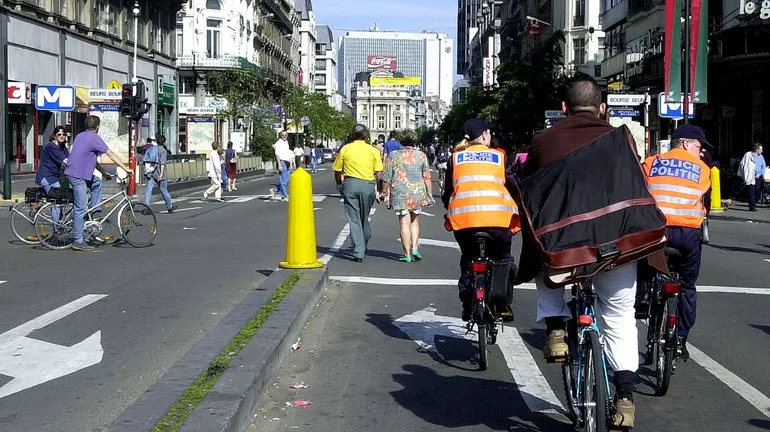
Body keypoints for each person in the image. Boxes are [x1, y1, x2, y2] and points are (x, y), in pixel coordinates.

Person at [520, 76, 666, 428]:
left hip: (566, 247)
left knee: (542, 260)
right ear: (602, 109)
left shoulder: (543, 140)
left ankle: (556, 328)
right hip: (618, 244)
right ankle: (626, 399)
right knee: (619, 317)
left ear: (564, 109)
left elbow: (530, 193)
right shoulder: (620, 139)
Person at [642, 124, 711, 360]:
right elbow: (706, 205)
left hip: (657, 231)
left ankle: (643, 298)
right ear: (685, 144)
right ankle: (681, 338)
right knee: (688, 286)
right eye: (699, 147)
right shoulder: (703, 169)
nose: (701, 152)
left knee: (645, 268)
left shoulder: (651, 163)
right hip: (688, 234)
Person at [442, 118, 519, 322]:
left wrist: (448, 205)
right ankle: (502, 303)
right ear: (484, 134)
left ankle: (467, 303)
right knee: (503, 258)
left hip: (464, 222)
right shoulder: (499, 157)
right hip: (497, 221)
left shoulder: (455, 158)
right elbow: (513, 186)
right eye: (489, 133)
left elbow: (448, 190)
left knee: (468, 258)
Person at [65, 116, 131, 251]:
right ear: (98, 127)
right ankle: (78, 241)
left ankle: (94, 211)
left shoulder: (79, 136)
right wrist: (125, 168)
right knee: (81, 207)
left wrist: (104, 173)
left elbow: (90, 159)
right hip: (78, 176)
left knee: (97, 182)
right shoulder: (94, 138)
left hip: (74, 173)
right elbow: (110, 154)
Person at [333, 124, 383, 262]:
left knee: (353, 218)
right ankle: (364, 239)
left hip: (350, 183)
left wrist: (339, 183)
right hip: (368, 185)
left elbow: (337, 170)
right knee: (364, 216)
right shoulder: (373, 150)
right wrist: (380, 189)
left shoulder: (345, 149)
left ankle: (358, 250)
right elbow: (378, 172)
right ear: (366, 135)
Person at [382, 130, 433, 263]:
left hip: (400, 192)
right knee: (414, 221)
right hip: (417, 192)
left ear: (401, 141)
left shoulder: (393, 155)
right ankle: (415, 247)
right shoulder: (421, 155)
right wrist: (429, 195)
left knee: (404, 222)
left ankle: (407, 254)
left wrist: (383, 192)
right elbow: (427, 177)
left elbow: (386, 176)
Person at [143, 135, 177, 213]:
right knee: (164, 190)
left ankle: (146, 207)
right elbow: (162, 163)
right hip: (158, 173)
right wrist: (161, 174)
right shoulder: (163, 151)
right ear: (164, 141)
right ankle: (169, 207)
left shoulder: (151, 148)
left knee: (148, 190)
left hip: (151, 172)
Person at [36, 126, 69, 193]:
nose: (62, 136)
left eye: (64, 134)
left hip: (54, 176)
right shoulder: (51, 146)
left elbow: (70, 158)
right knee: (57, 196)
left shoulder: (62, 147)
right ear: (54, 136)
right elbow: (66, 161)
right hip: (47, 177)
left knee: (61, 195)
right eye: (59, 134)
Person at [738, 143, 764, 211]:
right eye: (761, 150)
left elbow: (763, 166)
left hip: (758, 176)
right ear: (756, 149)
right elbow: (742, 164)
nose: (762, 151)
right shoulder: (748, 155)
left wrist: (760, 173)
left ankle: (754, 202)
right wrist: (744, 174)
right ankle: (752, 206)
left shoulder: (761, 157)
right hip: (750, 175)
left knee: (757, 191)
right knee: (751, 191)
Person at [271, 131, 294, 201]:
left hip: (287, 162)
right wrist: (279, 165)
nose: (284, 136)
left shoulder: (286, 142)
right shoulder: (278, 143)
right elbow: (277, 154)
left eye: (286, 135)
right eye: (283, 135)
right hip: (282, 161)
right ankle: (284, 196)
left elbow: (288, 153)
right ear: (280, 136)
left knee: (287, 180)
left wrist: (291, 163)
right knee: (283, 180)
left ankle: (275, 189)